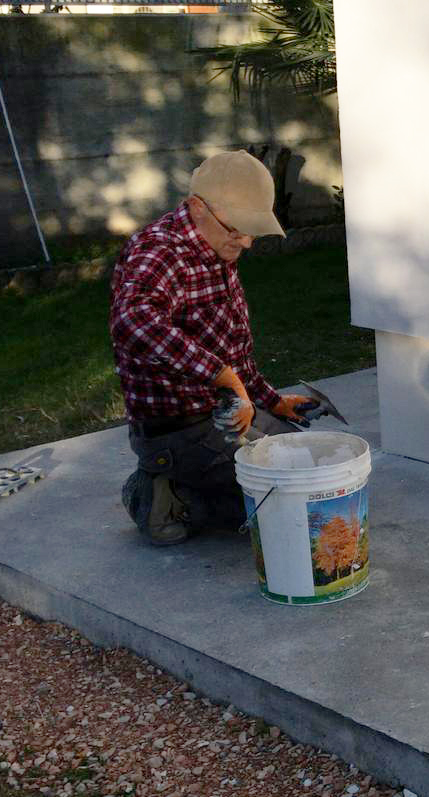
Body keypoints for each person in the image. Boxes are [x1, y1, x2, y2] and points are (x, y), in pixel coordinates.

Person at [109, 150, 317, 545]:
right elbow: (132, 321)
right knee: (284, 502)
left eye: (252, 230)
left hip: (221, 414)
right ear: (196, 208)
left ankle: (197, 485)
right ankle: (165, 495)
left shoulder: (217, 247)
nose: (247, 242)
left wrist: (273, 402)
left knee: (304, 463)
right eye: (237, 228)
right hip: (178, 428)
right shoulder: (160, 251)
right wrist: (219, 374)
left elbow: (232, 354)